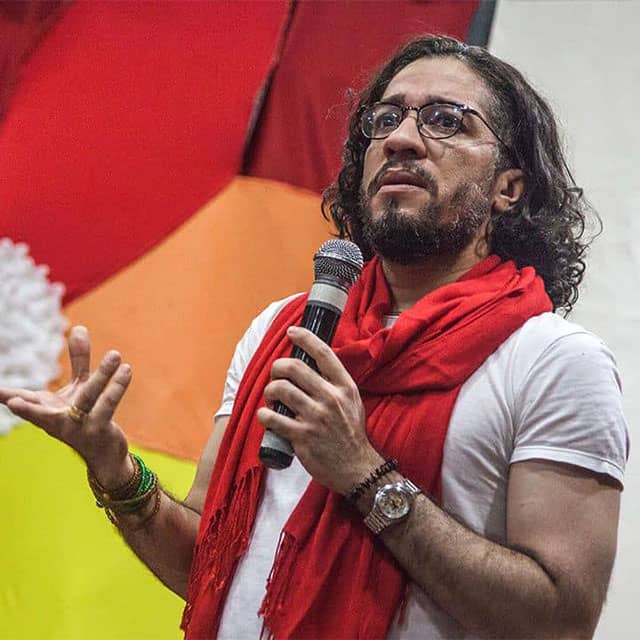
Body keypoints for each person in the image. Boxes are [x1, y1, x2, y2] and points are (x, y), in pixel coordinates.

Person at [0, 35, 629, 639]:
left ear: (508, 189)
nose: (401, 139)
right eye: (385, 120)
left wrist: (363, 472)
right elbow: (206, 567)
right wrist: (115, 472)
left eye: (445, 120)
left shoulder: (553, 363)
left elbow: (560, 621)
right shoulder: (281, 330)